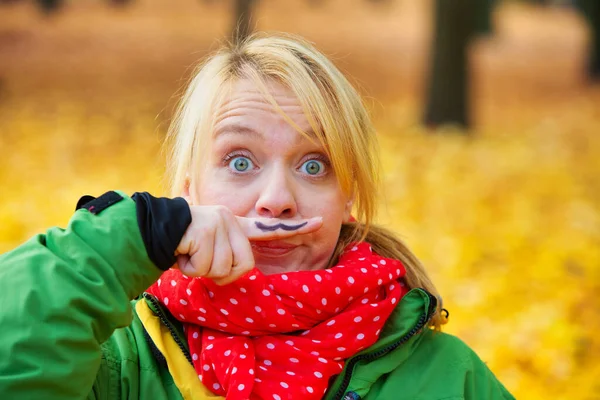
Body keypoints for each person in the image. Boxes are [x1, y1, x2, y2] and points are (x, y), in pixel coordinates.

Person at [0, 34, 514, 400]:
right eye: (239, 161)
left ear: (347, 199)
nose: (276, 199)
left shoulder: (449, 378)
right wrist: (115, 244)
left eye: (314, 166)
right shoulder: (115, 360)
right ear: (187, 189)